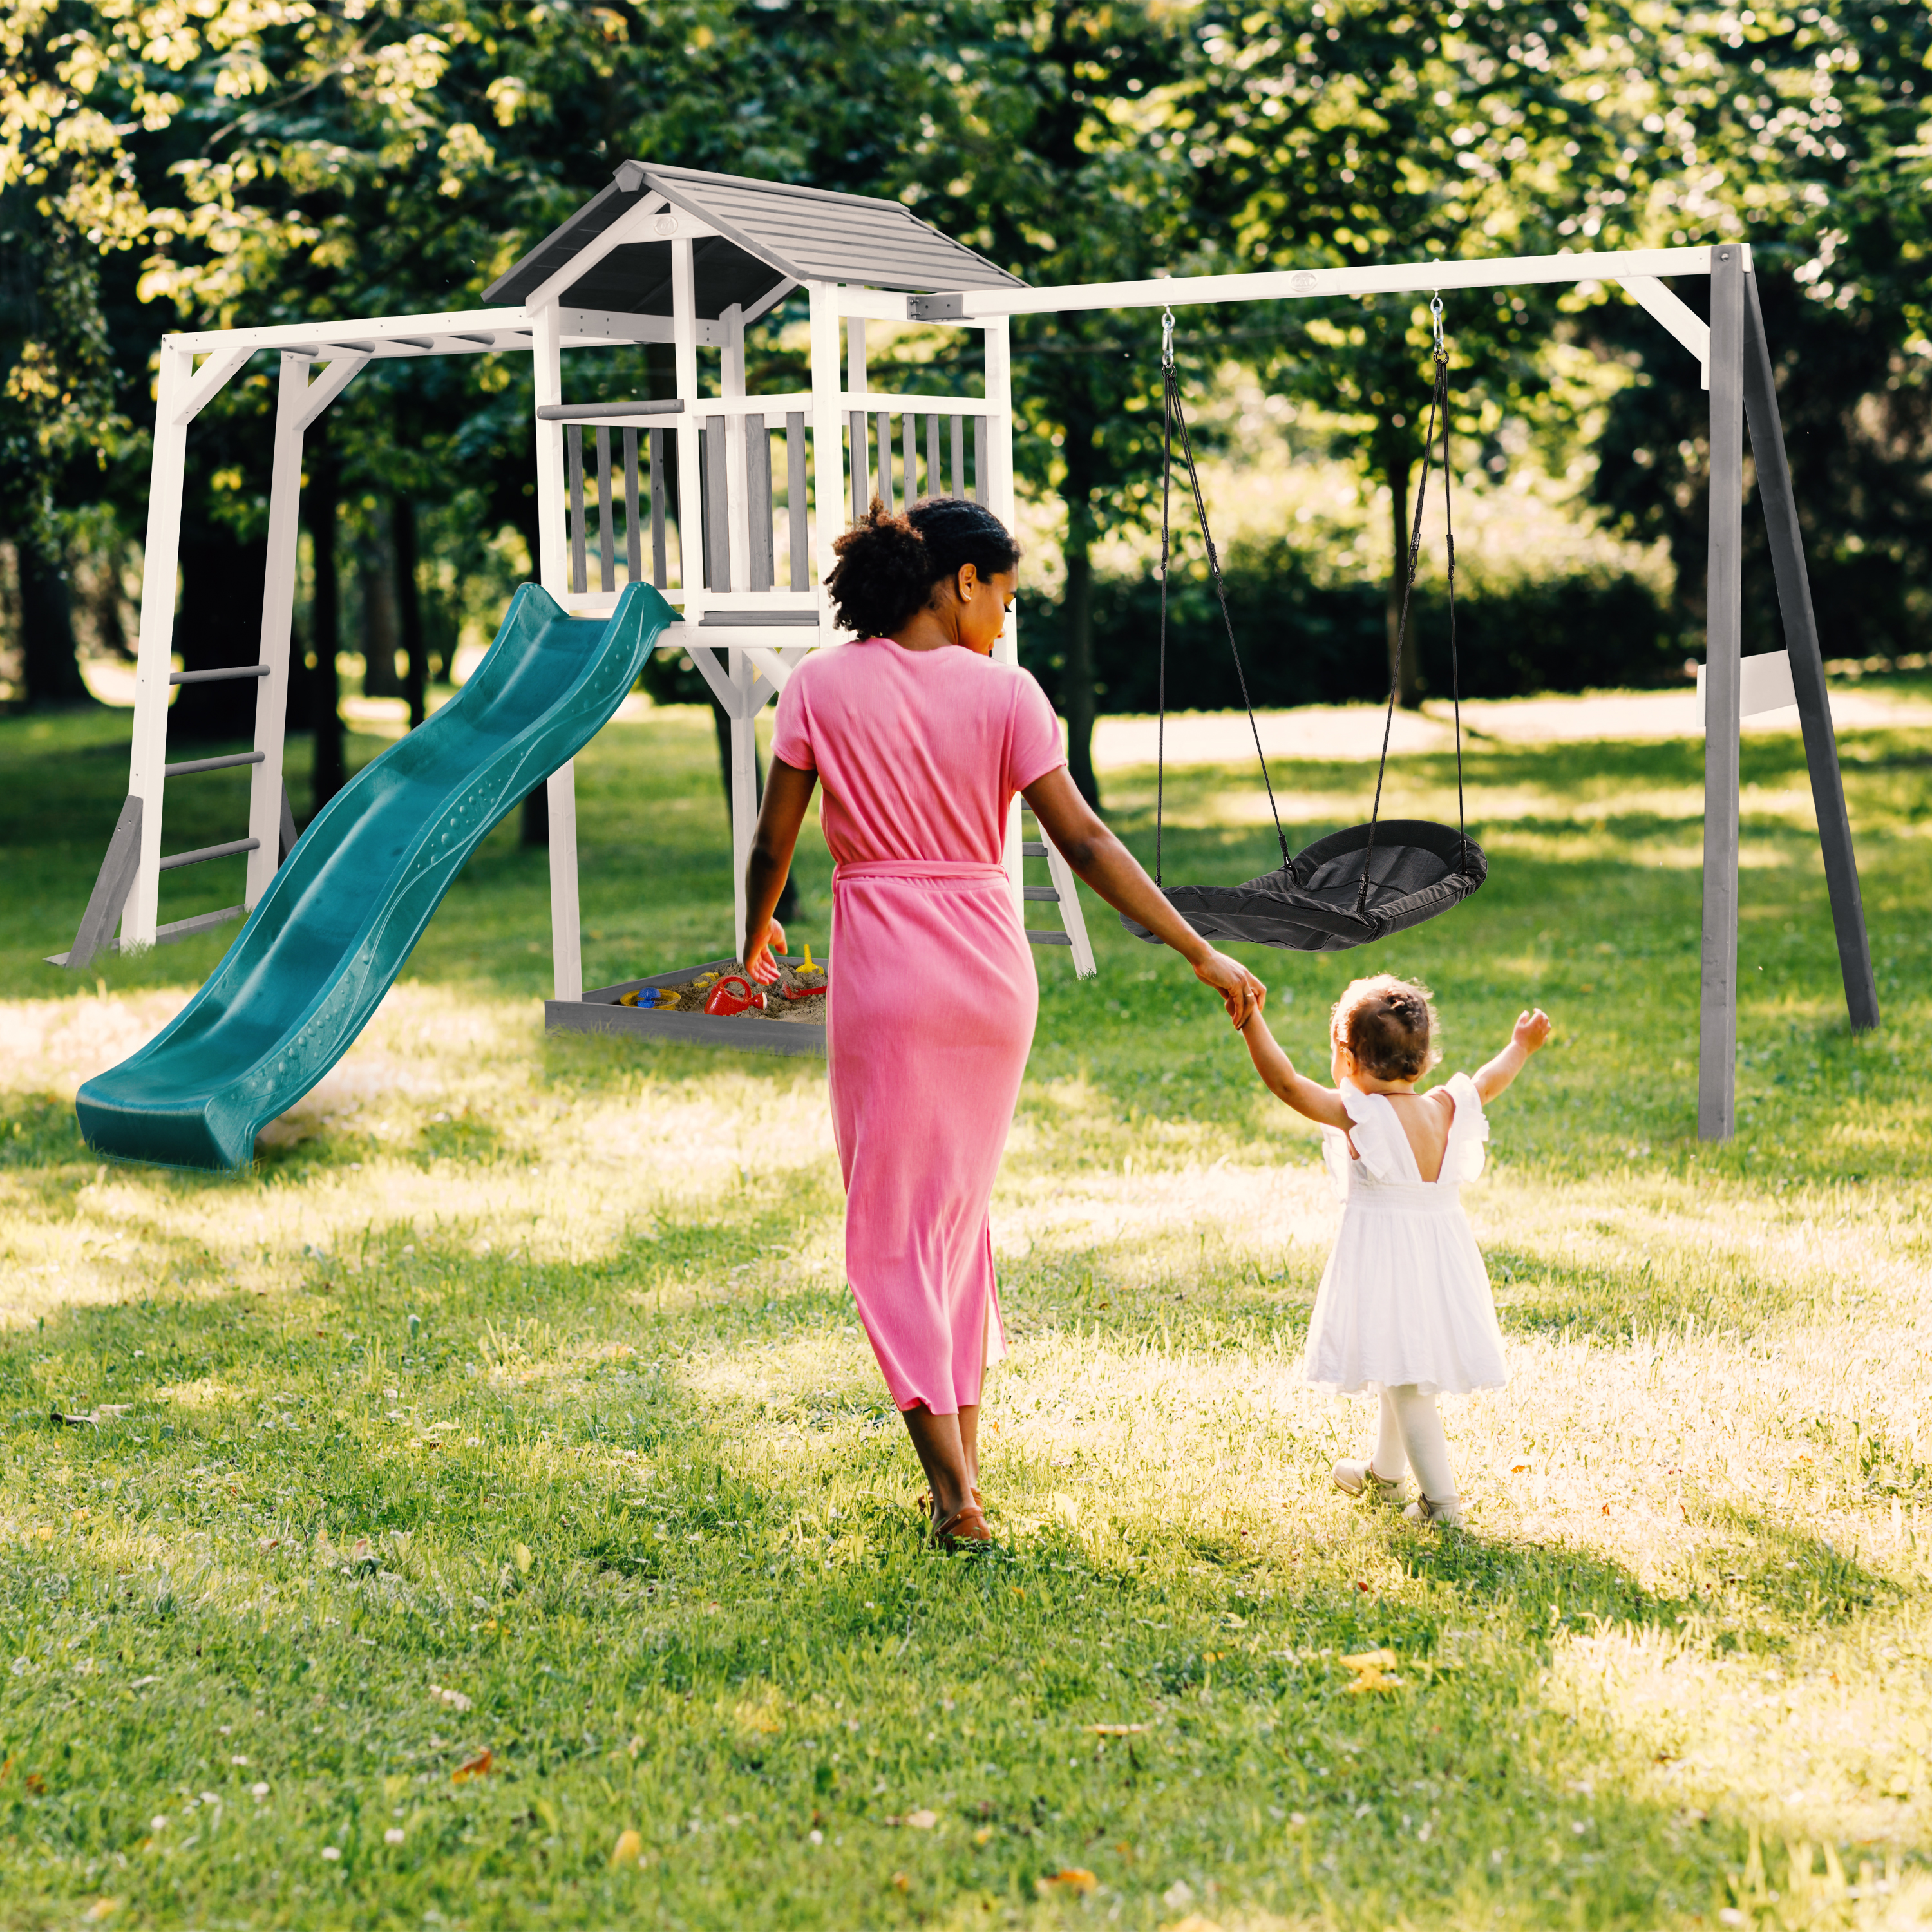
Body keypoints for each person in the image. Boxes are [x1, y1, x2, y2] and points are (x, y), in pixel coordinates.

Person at [742, 497, 1265, 1547]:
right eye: (1006, 597)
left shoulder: (818, 686)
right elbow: (1085, 843)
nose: (1006, 620)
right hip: (989, 976)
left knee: (892, 1233)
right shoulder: (1009, 696)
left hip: (888, 975)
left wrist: (752, 938)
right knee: (952, 1225)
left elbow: (774, 842)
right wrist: (1198, 947)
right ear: (961, 580)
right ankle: (963, 1476)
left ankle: (954, 1496)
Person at [1235, 974, 1551, 1526]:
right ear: (1424, 1061)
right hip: (1440, 1261)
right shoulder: (1447, 1106)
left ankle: (1442, 1505)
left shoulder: (1361, 1115)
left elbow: (1286, 1084)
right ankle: (1385, 1475)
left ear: (1347, 1058)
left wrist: (1250, 1019)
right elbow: (1489, 1079)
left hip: (1389, 1263)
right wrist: (1520, 1046)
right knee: (1395, 1362)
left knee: (1406, 1384)